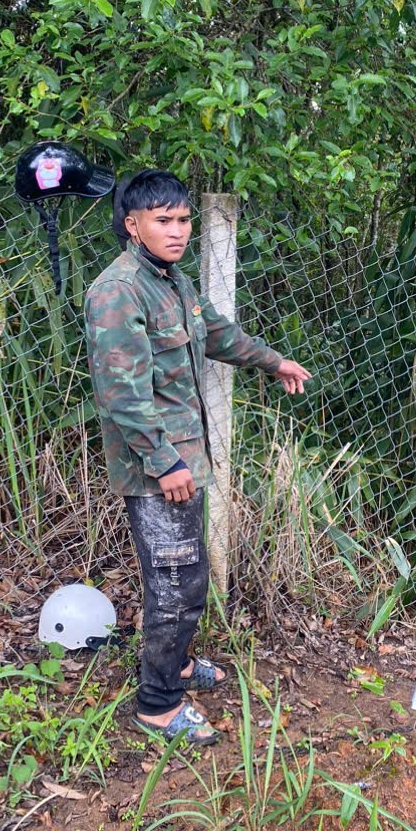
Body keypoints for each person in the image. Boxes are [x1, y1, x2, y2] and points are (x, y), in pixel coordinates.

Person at [84, 169, 312, 743]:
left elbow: (217, 334)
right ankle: (157, 705)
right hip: (156, 468)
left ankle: (178, 663)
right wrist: (165, 463)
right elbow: (122, 396)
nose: (178, 230)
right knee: (172, 584)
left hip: (183, 459)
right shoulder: (119, 290)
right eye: (164, 220)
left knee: (190, 577)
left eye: (183, 219)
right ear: (132, 225)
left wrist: (273, 361)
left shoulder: (172, 282)